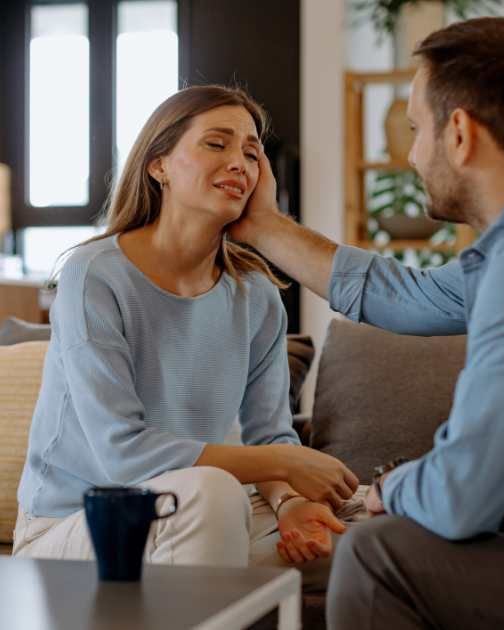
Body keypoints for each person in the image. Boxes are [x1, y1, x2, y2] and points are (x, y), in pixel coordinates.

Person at [229, 17, 504, 628]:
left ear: (459, 134)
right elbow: (408, 296)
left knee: (379, 555)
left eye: (415, 129)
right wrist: (265, 227)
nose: (410, 155)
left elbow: (461, 495)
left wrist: (390, 489)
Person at [14, 85, 359, 569]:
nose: (239, 162)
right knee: (213, 493)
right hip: (83, 522)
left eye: (251, 153)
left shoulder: (256, 294)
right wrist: (286, 464)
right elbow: (124, 454)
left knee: (357, 540)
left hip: (192, 511)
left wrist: (291, 502)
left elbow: (270, 435)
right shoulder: (94, 274)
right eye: (216, 144)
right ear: (159, 165)